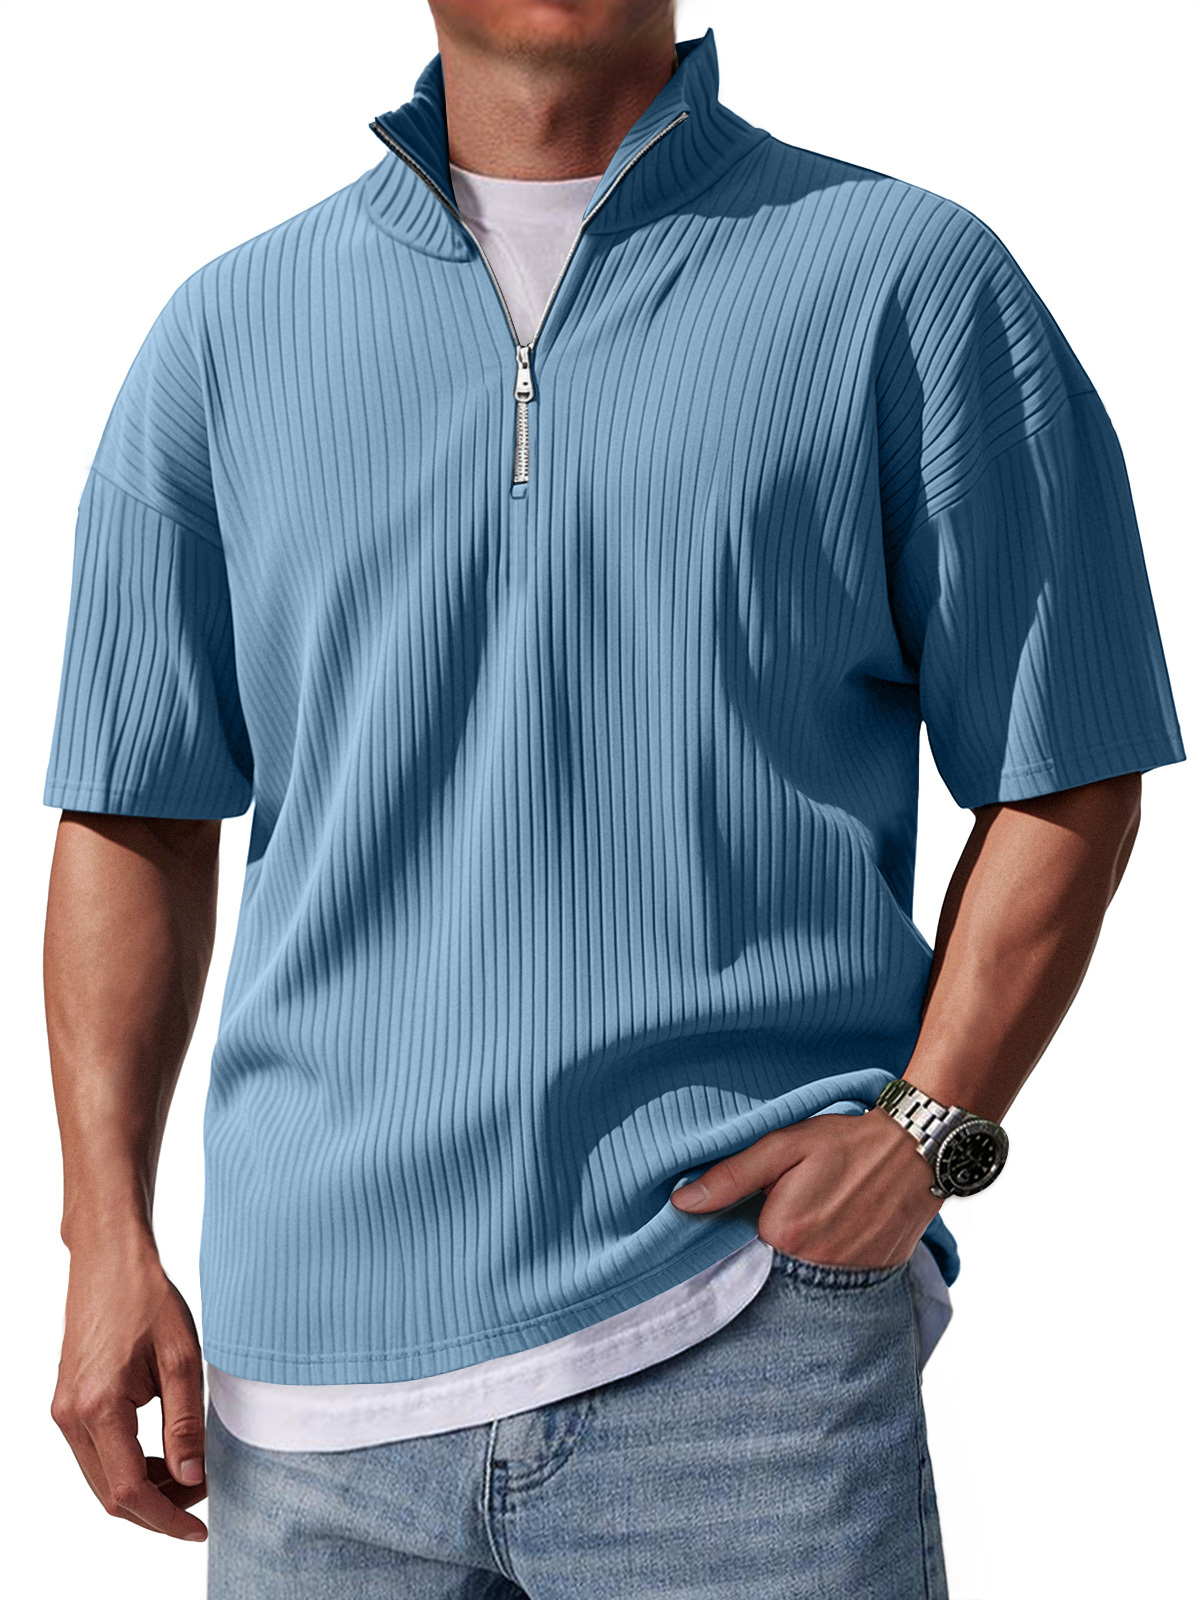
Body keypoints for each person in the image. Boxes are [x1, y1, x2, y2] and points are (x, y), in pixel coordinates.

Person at [42, 2, 1185, 1595]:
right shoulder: (226, 334)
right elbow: (135, 812)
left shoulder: (907, 282)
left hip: (742, 1351)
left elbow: (1070, 759)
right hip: (307, 1392)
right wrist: (106, 1236)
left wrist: (929, 1130)